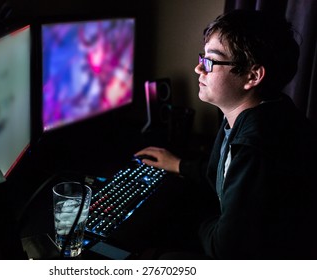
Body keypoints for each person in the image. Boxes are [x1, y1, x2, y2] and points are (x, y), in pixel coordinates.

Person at [135, 9, 317, 259]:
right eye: (203, 57)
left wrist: (190, 217)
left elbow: (226, 249)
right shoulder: (264, 108)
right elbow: (225, 172)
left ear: (252, 76)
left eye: (211, 60)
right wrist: (179, 165)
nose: (199, 68)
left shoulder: (257, 146)